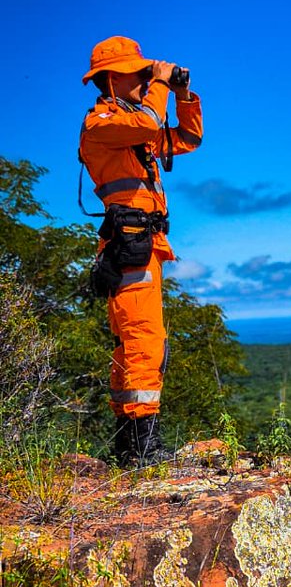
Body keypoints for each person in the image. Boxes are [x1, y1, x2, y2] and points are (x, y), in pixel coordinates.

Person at [79, 35, 203, 465]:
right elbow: (151, 124)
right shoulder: (102, 125)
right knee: (143, 341)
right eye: (139, 73)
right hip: (129, 242)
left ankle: (127, 444)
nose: (147, 77)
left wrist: (184, 96)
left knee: (135, 341)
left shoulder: (134, 126)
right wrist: (163, 83)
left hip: (144, 242)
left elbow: (188, 138)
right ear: (113, 79)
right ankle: (141, 449)